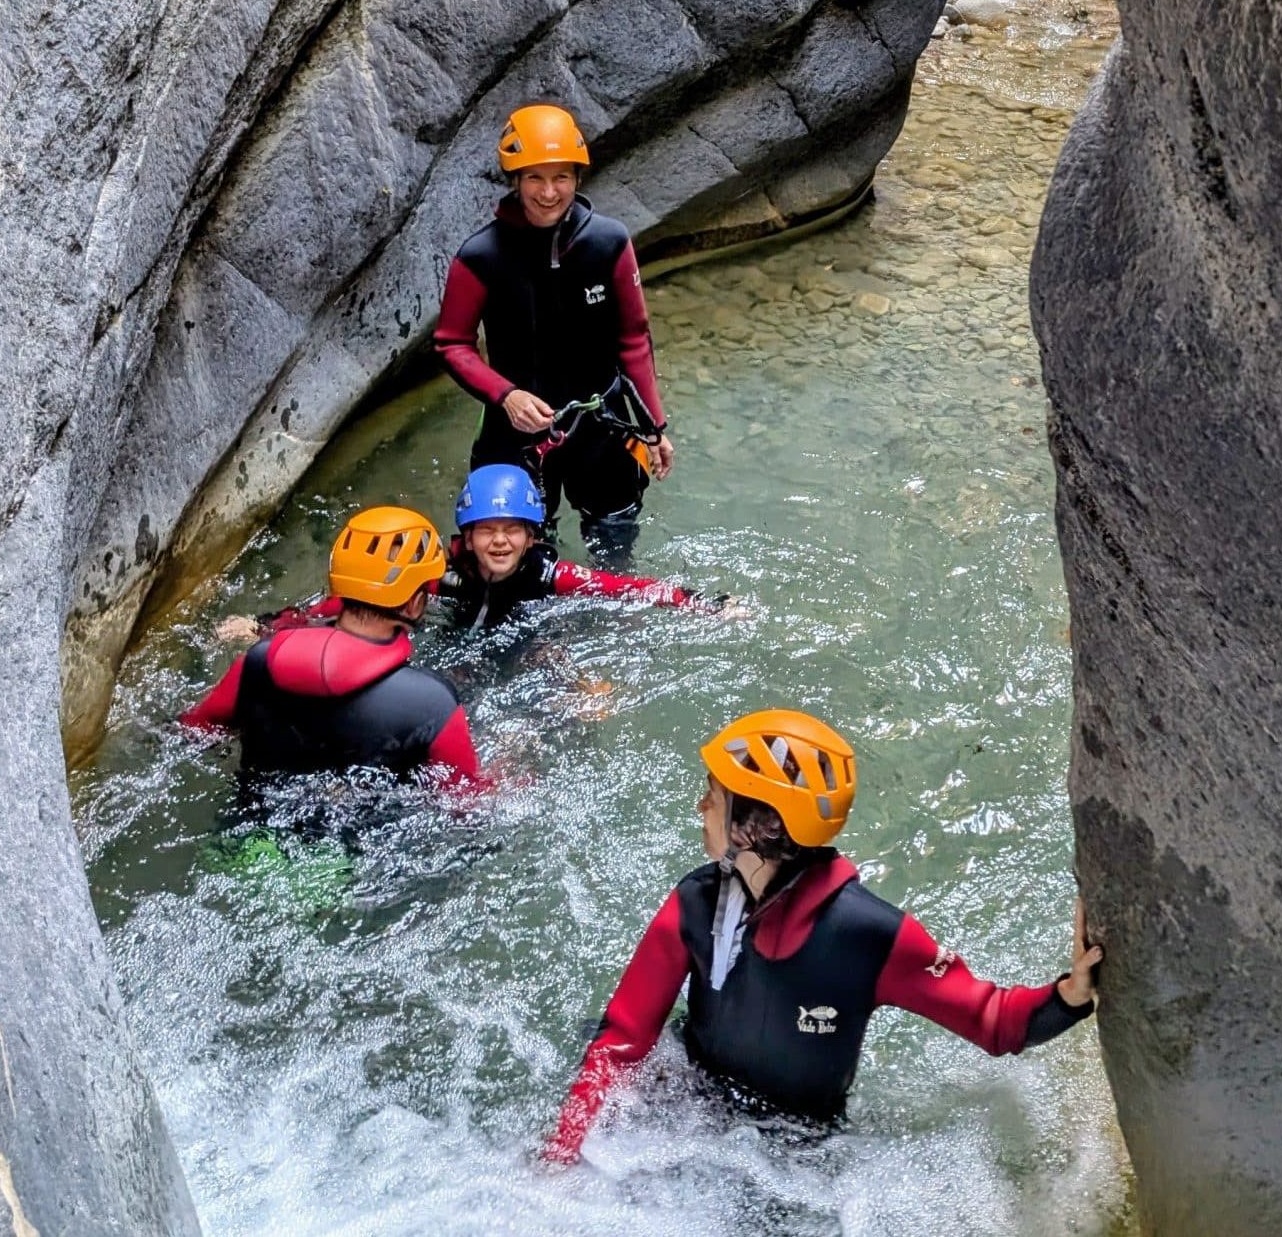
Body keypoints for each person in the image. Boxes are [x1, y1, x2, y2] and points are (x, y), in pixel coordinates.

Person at [543, 709, 1102, 1162]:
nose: (700, 807)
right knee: (585, 1042)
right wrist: (559, 1158)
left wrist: (1069, 996)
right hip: (690, 1100)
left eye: (713, 797)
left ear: (754, 824)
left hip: (792, 1156)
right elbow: (620, 1042)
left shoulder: (868, 934)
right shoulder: (696, 903)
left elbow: (993, 1020)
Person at [435, 103, 672, 561]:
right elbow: (451, 343)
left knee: (615, 549)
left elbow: (634, 339)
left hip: (602, 428)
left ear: (577, 179)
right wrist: (506, 396)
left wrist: (654, 427)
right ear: (516, 180)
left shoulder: (610, 242)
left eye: (561, 177)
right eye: (534, 178)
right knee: (514, 565)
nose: (548, 192)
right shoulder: (481, 256)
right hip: (514, 432)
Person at [181, 506, 483, 786]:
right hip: (351, 842)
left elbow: (194, 731)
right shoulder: (433, 703)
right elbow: (467, 803)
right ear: (415, 605)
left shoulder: (261, 660)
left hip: (247, 838)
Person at [442, 464, 725, 630]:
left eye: (512, 530)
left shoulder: (551, 577)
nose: (500, 540)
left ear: (530, 539)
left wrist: (707, 605)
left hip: (531, 636)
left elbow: (632, 588)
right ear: (467, 539)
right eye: (486, 530)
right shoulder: (443, 574)